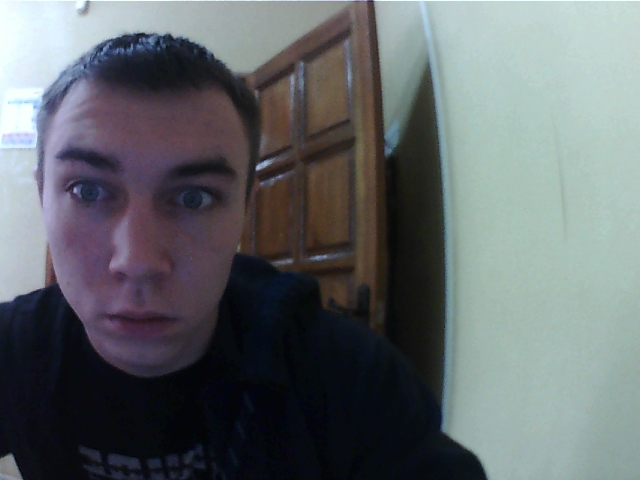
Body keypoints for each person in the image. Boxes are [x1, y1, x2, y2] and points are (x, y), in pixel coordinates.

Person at [0, 33, 487, 480]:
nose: (139, 262)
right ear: (43, 195)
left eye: (194, 198)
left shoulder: (347, 375)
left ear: (244, 208)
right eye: (87, 190)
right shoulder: (11, 351)